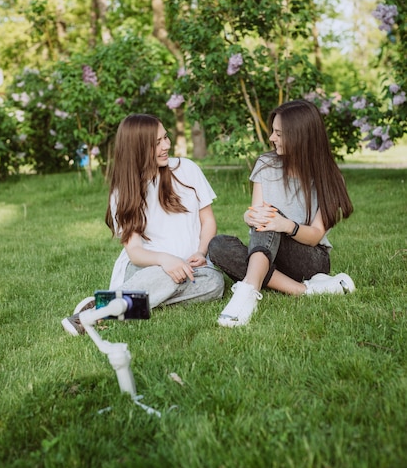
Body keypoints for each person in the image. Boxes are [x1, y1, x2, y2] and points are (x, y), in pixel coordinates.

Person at [62, 113, 224, 336]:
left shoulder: (187, 169)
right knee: (165, 274)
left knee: (215, 283)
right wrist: (165, 260)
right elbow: (135, 251)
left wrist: (201, 250)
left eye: (165, 137)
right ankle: (100, 311)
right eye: (157, 143)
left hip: (192, 267)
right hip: (147, 269)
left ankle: (121, 306)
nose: (166, 145)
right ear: (137, 147)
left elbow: (208, 221)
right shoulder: (123, 193)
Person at [208, 99, 356, 328]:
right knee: (218, 246)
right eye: (272, 132)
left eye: (279, 133)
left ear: (300, 136)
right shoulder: (266, 164)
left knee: (271, 217)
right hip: (268, 250)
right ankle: (302, 290)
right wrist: (249, 217)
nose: (271, 138)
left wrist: (287, 225)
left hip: (310, 258)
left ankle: (248, 290)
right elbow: (256, 214)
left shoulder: (330, 178)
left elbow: (316, 234)